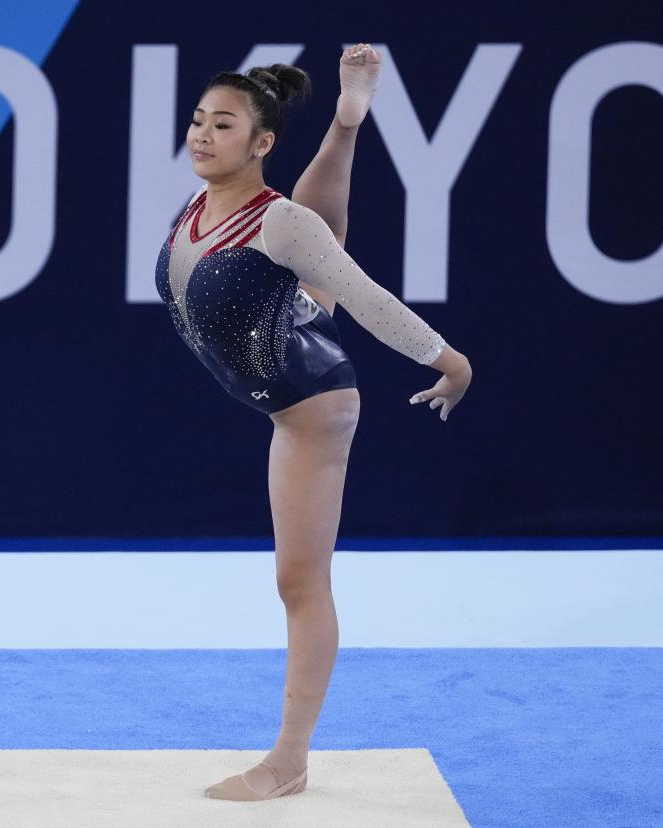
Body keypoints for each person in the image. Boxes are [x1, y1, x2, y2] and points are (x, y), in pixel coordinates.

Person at [154, 45, 474, 801]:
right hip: (284, 334)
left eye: (223, 125)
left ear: (261, 143)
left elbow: (363, 298)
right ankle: (348, 119)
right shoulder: (203, 206)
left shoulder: (279, 222)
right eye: (198, 120)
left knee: (299, 580)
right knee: (308, 255)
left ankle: (289, 760)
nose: (201, 135)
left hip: (310, 406)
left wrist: (447, 358)